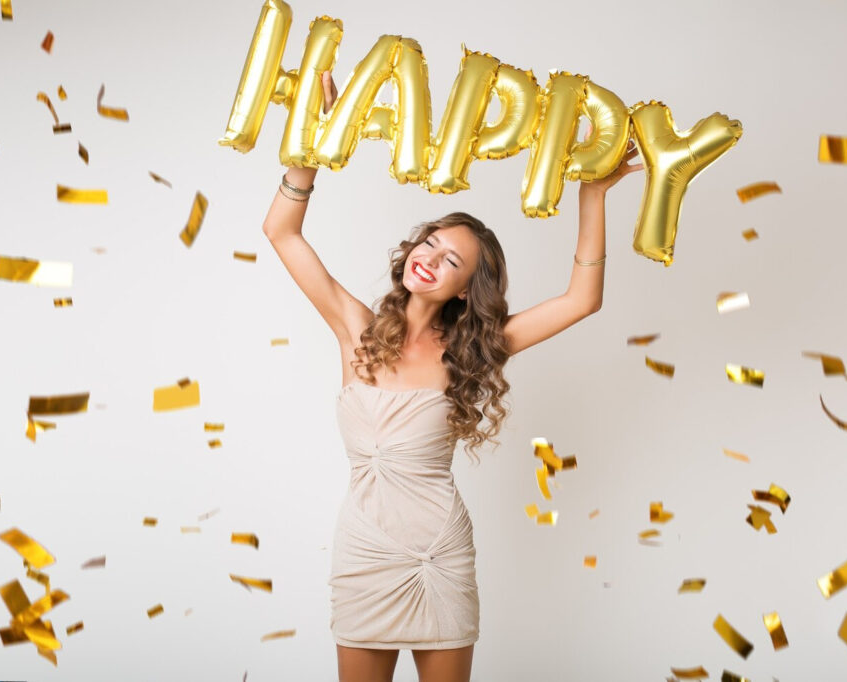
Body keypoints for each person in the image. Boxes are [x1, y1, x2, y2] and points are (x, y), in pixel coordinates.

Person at [262, 70, 642, 682]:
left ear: (468, 289)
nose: (429, 259)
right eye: (430, 243)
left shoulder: (476, 349)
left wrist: (592, 195)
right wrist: (312, 145)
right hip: (363, 553)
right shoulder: (355, 329)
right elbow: (281, 231)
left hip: (439, 556)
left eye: (451, 261)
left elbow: (581, 299)